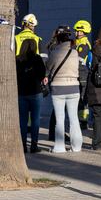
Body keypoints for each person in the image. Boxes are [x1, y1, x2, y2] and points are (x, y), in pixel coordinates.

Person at [46, 25, 83, 153]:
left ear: (58, 39)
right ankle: (77, 147)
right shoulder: (75, 52)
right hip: (74, 87)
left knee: (60, 119)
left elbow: (48, 68)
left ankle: (59, 147)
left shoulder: (55, 52)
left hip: (58, 89)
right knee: (74, 119)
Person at [15, 13, 48, 153]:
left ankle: (23, 146)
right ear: (32, 25)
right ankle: (34, 145)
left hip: (21, 87)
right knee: (35, 119)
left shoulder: (16, 38)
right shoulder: (37, 39)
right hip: (35, 89)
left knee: (22, 119)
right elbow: (42, 68)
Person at [74, 20, 93, 130]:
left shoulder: (83, 44)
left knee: (82, 99)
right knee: (81, 99)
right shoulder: (78, 43)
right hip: (80, 74)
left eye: (78, 31)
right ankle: (83, 120)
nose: (76, 33)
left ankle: (83, 122)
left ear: (83, 31)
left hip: (82, 74)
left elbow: (78, 60)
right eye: (76, 31)